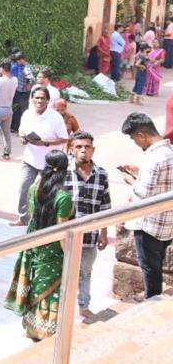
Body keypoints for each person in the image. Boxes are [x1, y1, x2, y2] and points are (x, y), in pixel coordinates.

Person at [4, 151, 74, 340]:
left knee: (36, 283)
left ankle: (31, 327)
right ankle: (46, 330)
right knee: (51, 288)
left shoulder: (35, 189)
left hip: (34, 243)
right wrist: (69, 254)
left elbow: (34, 216)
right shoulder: (63, 198)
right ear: (65, 170)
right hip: (53, 249)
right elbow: (61, 228)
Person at [118, 113, 173, 299]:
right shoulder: (169, 151)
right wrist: (139, 172)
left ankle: (152, 300)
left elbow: (144, 193)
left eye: (134, 139)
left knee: (150, 268)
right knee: (156, 265)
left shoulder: (153, 158)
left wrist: (130, 180)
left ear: (141, 135)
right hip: (166, 224)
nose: (136, 143)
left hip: (150, 224)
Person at [65, 132, 111, 321]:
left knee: (85, 272)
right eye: (79, 147)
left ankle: (83, 307)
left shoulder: (101, 174)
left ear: (93, 149)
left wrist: (104, 232)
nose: (83, 150)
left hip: (90, 236)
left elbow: (105, 205)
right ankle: (60, 308)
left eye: (87, 147)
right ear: (71, 149)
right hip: (65, 235)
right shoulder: (63, 171)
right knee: (63, 272)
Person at [14, 86, 70, 227]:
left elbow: (64, 138)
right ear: (32, 99)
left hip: (49, 163)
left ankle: (46, 223)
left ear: (48, 100)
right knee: (23, 188)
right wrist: (23, 138)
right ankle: (24, 219)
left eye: (42, 98)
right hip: (30, 159)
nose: (39, 101)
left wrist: (45, 143)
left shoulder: (55, 117)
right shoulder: (27, 113)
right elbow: (21, 130)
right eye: (37, 98)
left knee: (47, 193)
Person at [10, 52, 34, 133]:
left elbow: (31, 78)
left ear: (22, 59)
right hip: (18, 91)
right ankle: (14, 127)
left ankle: (21, 128)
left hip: (23, 93)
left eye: (18, 61)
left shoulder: (26, 68)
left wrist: (28, 86)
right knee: (16, 109)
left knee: (22, 110)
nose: (17, 62)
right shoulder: (21, 66)